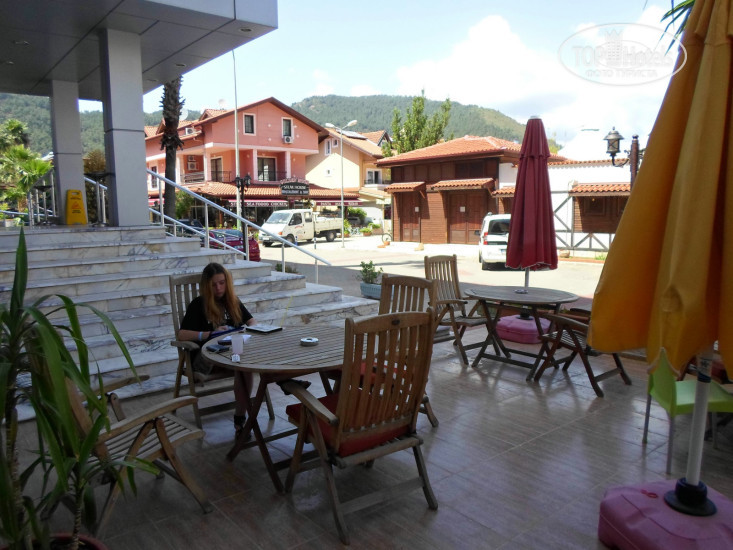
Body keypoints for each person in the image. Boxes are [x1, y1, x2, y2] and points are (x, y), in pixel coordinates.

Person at [177, 262, 256, 437]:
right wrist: (210, 334)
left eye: (222, 283)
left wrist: (250, 329)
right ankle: (242, 419)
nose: (219, 288)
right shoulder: (199, 304)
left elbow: (251, 321)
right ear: (207, 286)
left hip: (232, 356)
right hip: (208, 358)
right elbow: (181, 334)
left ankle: (240, 417)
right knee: (245, 365)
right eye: (213, 284)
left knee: (247, 363)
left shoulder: (232, 301)